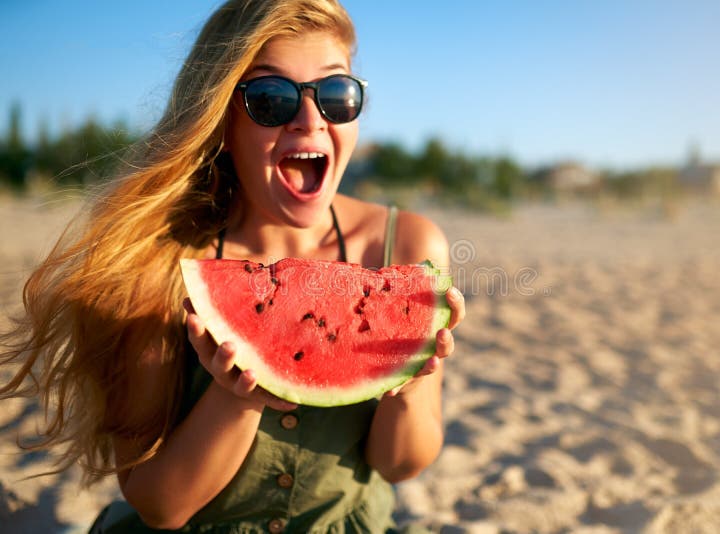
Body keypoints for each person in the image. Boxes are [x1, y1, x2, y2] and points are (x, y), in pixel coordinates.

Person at [0, 0, 465, 532]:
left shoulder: (405, 244)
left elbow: (400, 464)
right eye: (271, 99)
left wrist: (404, 379)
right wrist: (235, 397)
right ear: (221, 118)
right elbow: (161, 505)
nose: (310, 120)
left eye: (337, 94)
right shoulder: (156, 262)